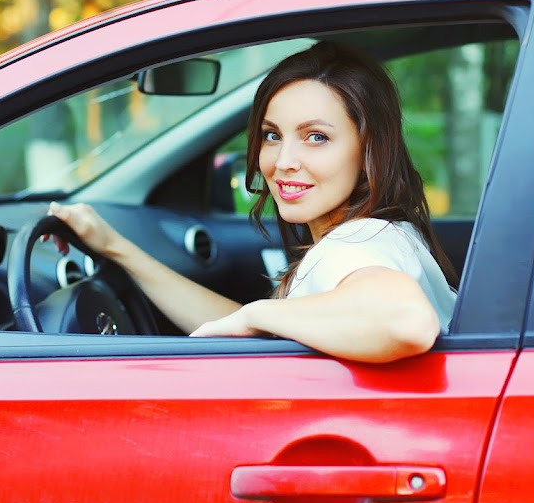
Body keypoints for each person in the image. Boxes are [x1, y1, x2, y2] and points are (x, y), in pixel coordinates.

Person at [48, 41, 459, 363]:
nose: (283, 162)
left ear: (370, 150)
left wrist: (255, 315)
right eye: (272, 135)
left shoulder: (351, 248)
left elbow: (408, 321)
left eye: (317, 137)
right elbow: (247, 327)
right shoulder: (385, 233)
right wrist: (116, 248)